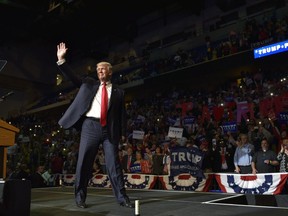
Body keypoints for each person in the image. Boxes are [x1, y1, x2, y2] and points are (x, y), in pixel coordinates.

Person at [56, 42, 134, 209]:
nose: (100, 71)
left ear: (110, 72)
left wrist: (123, 134)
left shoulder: (119, 92)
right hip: (90, 127)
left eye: (103, 68)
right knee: (84, 163)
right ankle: (80, 198)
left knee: (114, 165)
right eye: (98, 69)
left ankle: (122, 198)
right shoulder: (89, 83)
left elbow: (122, 115)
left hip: (109, 131)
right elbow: (73, 77)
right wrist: (62, 61)